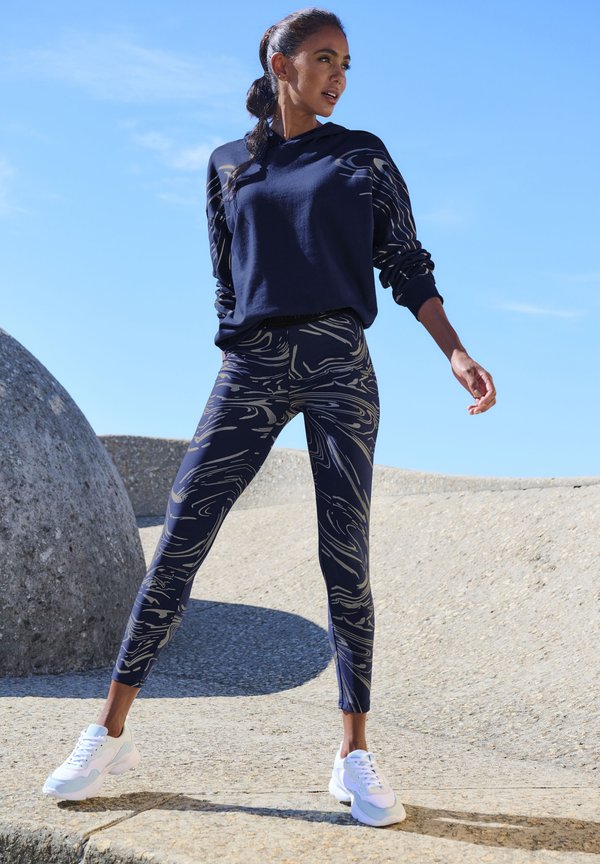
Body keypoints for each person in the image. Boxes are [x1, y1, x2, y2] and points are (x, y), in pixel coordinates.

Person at [42, 8, 496, 828]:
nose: (339, 76)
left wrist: (455, 351)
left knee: (344, 558)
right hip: (250, 365)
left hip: (338, 363)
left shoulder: (362, 155)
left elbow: (405, 262)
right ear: (280, 64)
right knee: (178, 542)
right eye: (324, 59)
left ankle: (352, 755)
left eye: (346, 63)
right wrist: (245, 344)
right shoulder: (227, 164)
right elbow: (226, 279)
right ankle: (107, 736)